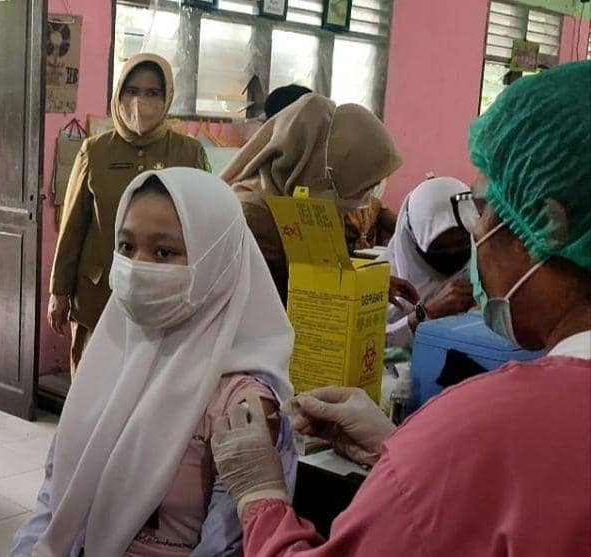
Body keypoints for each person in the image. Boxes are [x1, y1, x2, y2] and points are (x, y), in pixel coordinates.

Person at [209, 60, 591, 556]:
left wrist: (261, 498)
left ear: (549, 224)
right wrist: (401, 448)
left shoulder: (487, 425)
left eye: (483, 206)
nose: (476, 232)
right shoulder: (254, 215)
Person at [13, 168, 296, 556]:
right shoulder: (107, 357)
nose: (137, 267)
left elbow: (227, 547)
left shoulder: (242, 404)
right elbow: (54, 501)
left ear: (216, 264)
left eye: (164, 252)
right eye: (126, 247)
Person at [48, 53, 209, 374]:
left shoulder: (188, 152)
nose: (140, 102)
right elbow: (73, 226)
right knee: (92, 387)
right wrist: (59, 290)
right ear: (118, 95)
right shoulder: (95, 150)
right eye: (132, 91)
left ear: (168, 98)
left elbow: (204, 227)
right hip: (98, 294)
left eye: (153, 93)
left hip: (164, 298)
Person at [219, 93, 410, 306]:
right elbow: (266, 304)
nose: (368, 196)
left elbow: (323, 275)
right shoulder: (252, 213)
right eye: (364, 186)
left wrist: (368, 286)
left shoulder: (317, 203)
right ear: (327, 169)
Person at [382, 177, 474, 349]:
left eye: (462, 242)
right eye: (438, 247)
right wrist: (426, 313)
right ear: (412, 240)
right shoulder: (381, 282)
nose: (452, 253)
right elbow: (362, 345)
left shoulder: (486, 272)